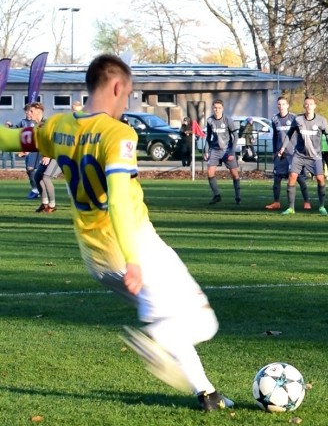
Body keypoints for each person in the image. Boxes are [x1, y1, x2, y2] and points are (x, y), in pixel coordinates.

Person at [0, 54, 233, 411]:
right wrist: (135, 259)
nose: (126, 103)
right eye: (127, 96)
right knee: (201, 321)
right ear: (116, 87)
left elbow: (11, 139)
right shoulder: (118, 134)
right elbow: (120, 199)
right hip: (134, 247)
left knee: (169, 318)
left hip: (95, 260)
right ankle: (161, 342)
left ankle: (207, 394)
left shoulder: (59, 127)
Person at [279, 95, 328, 215]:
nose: (308, 106)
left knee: (320, 179)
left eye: (311, 104)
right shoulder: (298, 120)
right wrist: (282, 148)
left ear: (315, 106)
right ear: (304, 106)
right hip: (299, 155)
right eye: (306, 104)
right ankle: (291, 208)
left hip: (315, 156)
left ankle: (322, 206)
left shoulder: (321, 120)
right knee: (292, 177)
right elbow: (289, 134)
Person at [266, 96, 311, 210]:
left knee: (299, 178)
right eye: (279, 104)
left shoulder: (294, 118)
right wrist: (274, 151)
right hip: (280, 153)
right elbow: (275, 136)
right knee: (277, 178)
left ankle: (307, 201)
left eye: (283, 104)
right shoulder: (274, 119)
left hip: (293, 153)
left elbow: (301, 134)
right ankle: (276, 202)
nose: (281, 106)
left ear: (287, 105)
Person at [203, 99, 241, 205]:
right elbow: (208, 136)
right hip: (215, 150)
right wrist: (206, 151)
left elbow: (236, 136)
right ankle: (216, 195)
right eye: (215, 107)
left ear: (222, 108)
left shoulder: (228, 120)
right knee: (210, 172)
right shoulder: (210, 120)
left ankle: (238, 196)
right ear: (212, 108)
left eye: (219, 108)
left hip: (227, 150)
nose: (217, 110)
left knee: (234, 174)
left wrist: (232, 152)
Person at [28, 102, 61, 213]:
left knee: (46, 177)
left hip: (57, 154)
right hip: (48, 155)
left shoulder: (47, 123)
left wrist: (47, 155)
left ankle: (52, 206)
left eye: (31, 111)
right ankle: (44, 203)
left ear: (38, 112)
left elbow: (53, 140)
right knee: (37, 177)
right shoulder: (38, 125)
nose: (29, 113)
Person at [16, 104, 40, 199]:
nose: (28, 113)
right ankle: (35, 189)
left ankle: (38, 190)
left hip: (37, 149)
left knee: (37, 170)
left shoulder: (38, 121)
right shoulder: (22, 122)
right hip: (28, 150)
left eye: (30, 111)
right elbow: (15, 131)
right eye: (26, 111)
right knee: (29, 169)